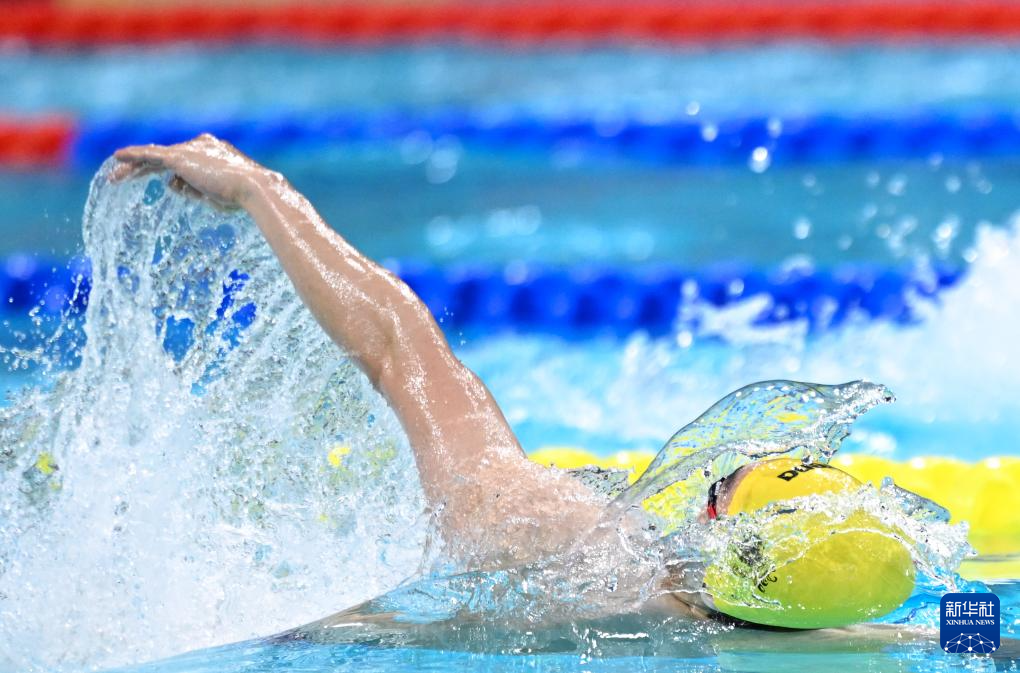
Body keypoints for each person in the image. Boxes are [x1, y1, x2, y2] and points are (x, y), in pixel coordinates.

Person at [111, 135, 914, 631]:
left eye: (720, 483)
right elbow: (959, 629)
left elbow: (395, 343)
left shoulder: (552, 539)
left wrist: (259, 188)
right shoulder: (850, 641)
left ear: (713, 528)